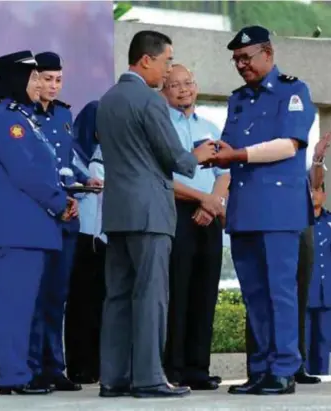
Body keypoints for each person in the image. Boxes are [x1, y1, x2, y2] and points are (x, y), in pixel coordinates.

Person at [96, 30, 217, 399]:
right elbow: (176, 159)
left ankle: (114, 378)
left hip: (117, 213)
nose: (167, 73)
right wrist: (200, 154)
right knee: (151, 296)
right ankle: (149, 377)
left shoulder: (107, 100)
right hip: (150, 213)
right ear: (145, 60)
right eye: (166, 62)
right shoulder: (149, 102)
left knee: (117, 296)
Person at [210, 26, 315, 395]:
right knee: (254, 294)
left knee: (280, 292)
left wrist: (234, 154)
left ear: (267, 54)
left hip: (279, 210)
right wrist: (210, 152)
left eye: (246, 58)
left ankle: (284, 368)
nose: (240, 65)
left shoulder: (293, 91)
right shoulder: (238, 99)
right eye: (236, 60)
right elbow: (229, 144)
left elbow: (288, 145)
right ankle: (260, 368)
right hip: (245, 208)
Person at [0, 50, 77, 395]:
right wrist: (59, 202)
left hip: (30, 229)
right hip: (18, 229)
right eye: (35, 78)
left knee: (25, 307)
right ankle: (13, 377)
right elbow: (28, 173)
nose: (40, 84)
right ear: (19, 80)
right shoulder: (10, 120)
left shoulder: (25, 116)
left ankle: (19, 373)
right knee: (15, 308)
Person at [161, 64, 229, 390]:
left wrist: (214, 201)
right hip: (176, 212)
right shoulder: (160, 126)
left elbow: (225, 172)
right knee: (177, 291)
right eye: (175, 85)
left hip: (210, 215)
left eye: (188, 83)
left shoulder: (211, 126)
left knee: (205, 292)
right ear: (165, 90)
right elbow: (162, 176)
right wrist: (203, 199)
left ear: (196, 85)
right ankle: (172, 369)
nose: (183, 89)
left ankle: (198, 369)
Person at [246, 131, 331, 384]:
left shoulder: (295, 148)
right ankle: (260, 365)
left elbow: (315, 184)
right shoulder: (255, 145)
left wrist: (317, 158)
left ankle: (296, 364)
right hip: (264, 222)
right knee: (262, 296)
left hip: (298, 224)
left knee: (297, 299)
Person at [24, 51, 86, 392]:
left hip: (67, 216)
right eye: (47, 79)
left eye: (58, 79)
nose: (53, 85)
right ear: (34, 80)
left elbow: (70, 159)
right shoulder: (20, 114)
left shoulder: (64, 113)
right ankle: (33, 368)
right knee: (35, 294)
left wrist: (86, 179)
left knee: (56, 296)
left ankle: (54, 367)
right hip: (39, 215)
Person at [65, 101, 106, 384]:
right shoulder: (71, 155)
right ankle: (79, 365)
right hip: (78, 236)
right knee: (80, 304)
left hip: (106, 238)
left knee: (103, 304)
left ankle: (102, 365)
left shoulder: (113, 151)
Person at [306, 183, 331, 375]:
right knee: (304, 341)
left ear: (323, 194)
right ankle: (303, 377)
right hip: (305, 292)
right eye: (309, 190)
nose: (313, 195)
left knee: (324, 340)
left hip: (327, 293)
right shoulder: (299, 223)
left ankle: (322, 377)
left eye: (316, 190)